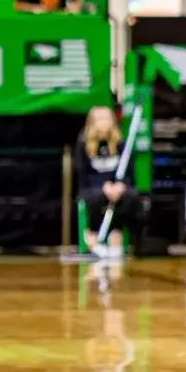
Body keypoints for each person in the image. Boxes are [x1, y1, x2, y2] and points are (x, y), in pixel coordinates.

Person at [76, 106, 142, 258]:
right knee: (96, 197)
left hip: (117, 187)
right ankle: (93, 236)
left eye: (108, 119)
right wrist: (103, 186)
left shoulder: (122, 145)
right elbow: (83, 175)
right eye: (100, 119)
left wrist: (120, 185)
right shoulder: (83, 146)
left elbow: (130, 174)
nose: (105, 123)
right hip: (93, 188)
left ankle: (118, 234)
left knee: (131, 197)